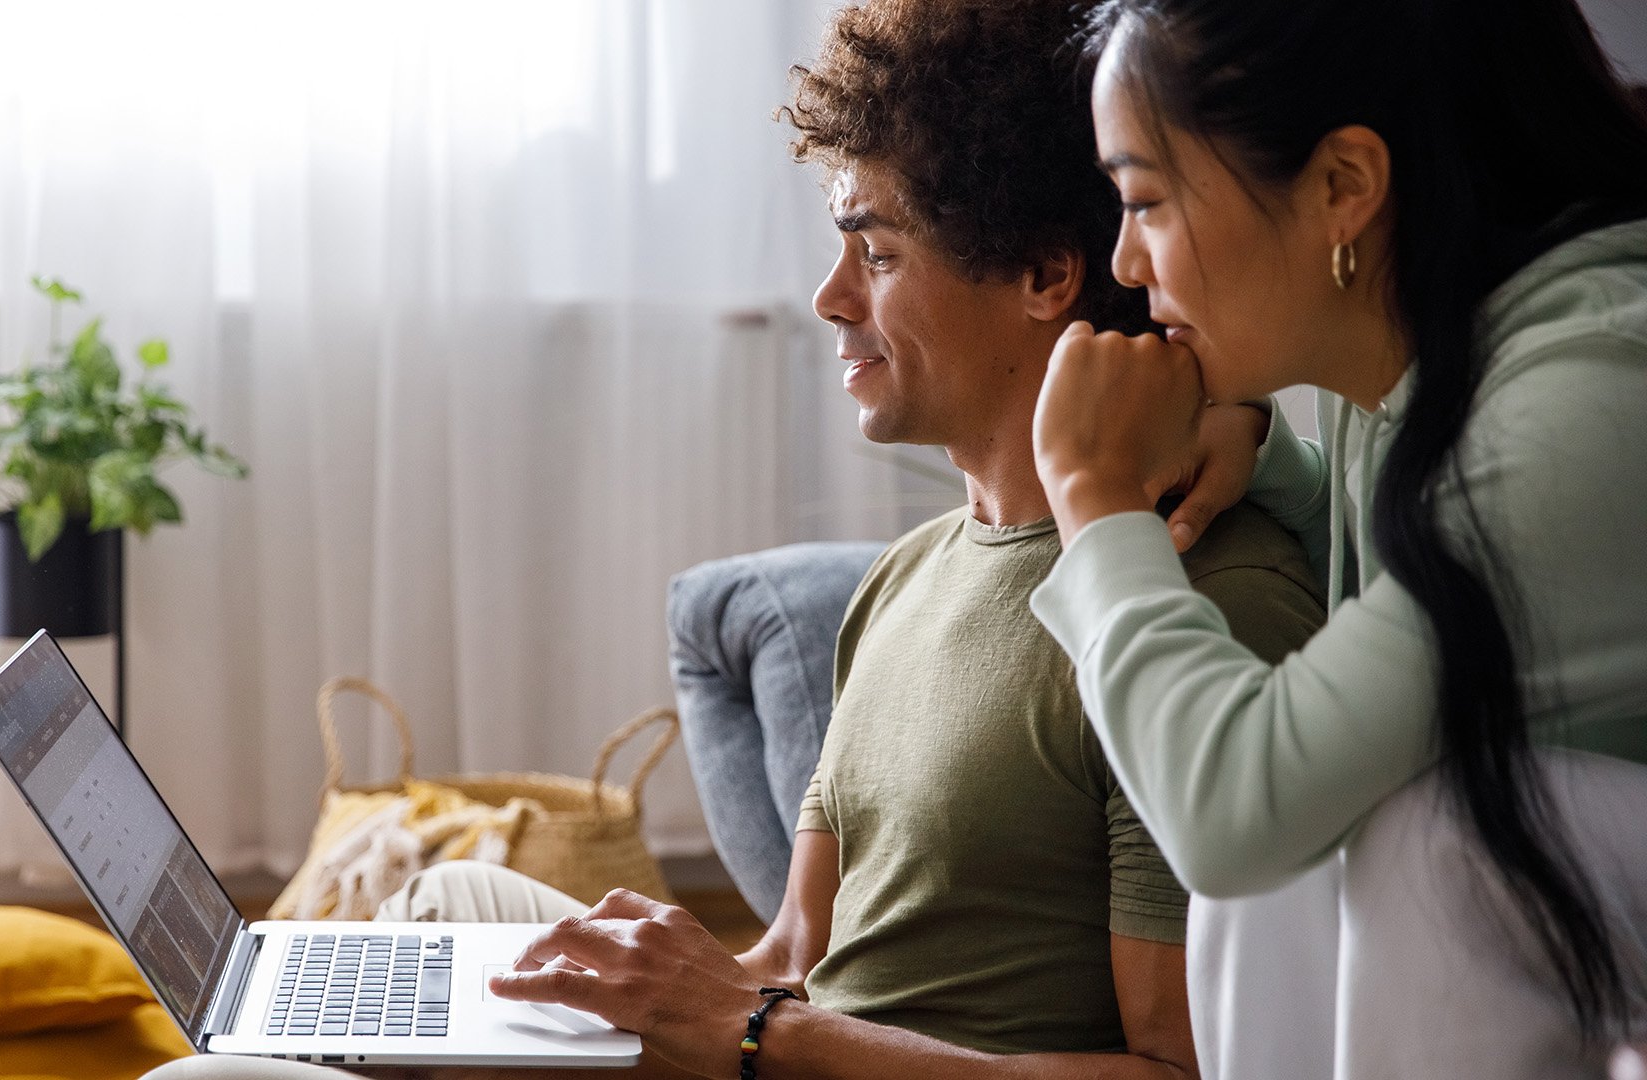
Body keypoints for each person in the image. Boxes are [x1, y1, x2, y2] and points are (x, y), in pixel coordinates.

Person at [140, 2, 1324, 1078]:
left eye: (877, 251)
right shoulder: (909, 577)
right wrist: (681, 983)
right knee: (442, 903)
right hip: (774, 1057)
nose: (829, 298)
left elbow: (1184, 1071)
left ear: (1045, 273)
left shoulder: (1194, 610)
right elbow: (795, 948)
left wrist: (759, 1032)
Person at [1024, 0, 1647, 1075]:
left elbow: (1234, 811)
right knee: (1311, 859)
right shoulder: (1424, 357)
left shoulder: (1594, 402)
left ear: (1342, 188)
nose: (1126, 262)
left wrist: (1095, 492)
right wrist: (1276, 467)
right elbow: (1450, 584)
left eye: (1146, 199)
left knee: (1425, 841)